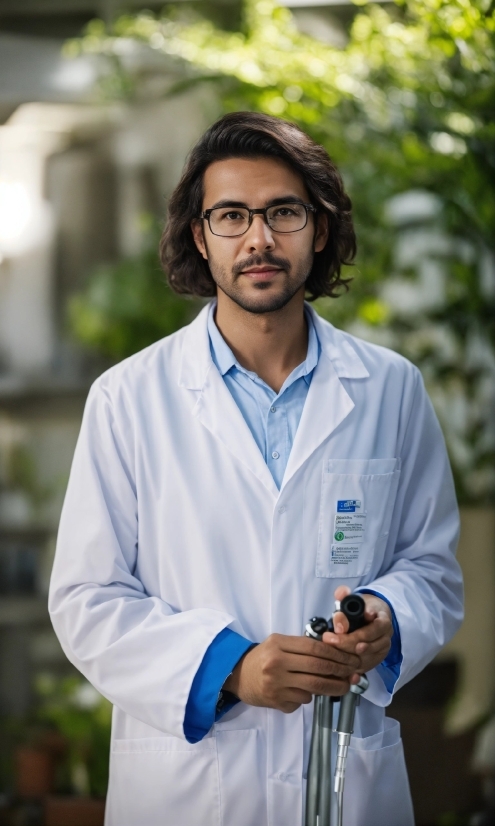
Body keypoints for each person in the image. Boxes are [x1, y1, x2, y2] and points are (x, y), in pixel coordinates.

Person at [49, 112, 464, 826]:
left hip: (345, 779)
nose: (259, 239)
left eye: (283, 213)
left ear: (320, 230)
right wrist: (232, 670)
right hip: (188, 791)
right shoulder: (127, 398)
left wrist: (387, 622)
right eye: (232, 216)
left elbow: (430, 567)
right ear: (199, 238)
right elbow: (87, 598)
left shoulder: (391, 388)